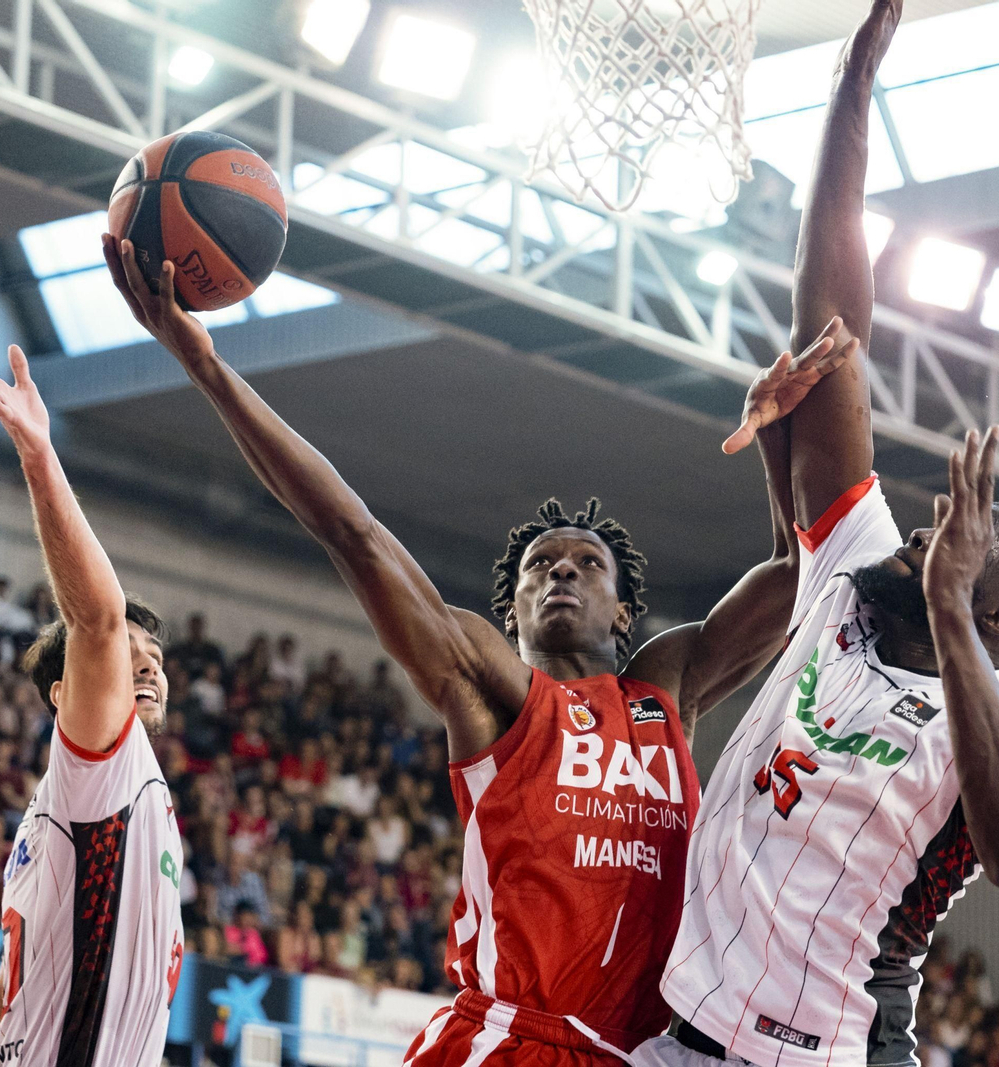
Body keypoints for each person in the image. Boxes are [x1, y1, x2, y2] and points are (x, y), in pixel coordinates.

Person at [104, 213, 844, 1061]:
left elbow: (802, 571)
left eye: (587, 563)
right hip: (505, 1039)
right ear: (511, 610)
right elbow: (353, 533)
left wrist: (778, 434)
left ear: (623, 611)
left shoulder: (664, 686)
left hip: (632, 1051)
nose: (561, 572)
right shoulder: (494, 689)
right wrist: (205, 365)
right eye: (539, 566)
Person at [646, 5, 999, 1066]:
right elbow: (831, 337)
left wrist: (945, 615)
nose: (917, 539)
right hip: (683, 1036)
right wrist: (852, 87)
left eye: (949, 546)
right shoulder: (852, 571)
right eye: (929, 527)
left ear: (996, 613)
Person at [0, 339, 185, 1067]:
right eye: (128, 656)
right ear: (65, 693)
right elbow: (96, 619)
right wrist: (39, 456)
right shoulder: (99, 768)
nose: (146, 666)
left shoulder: (85, 805)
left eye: (155, 658)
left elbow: (0, 997)